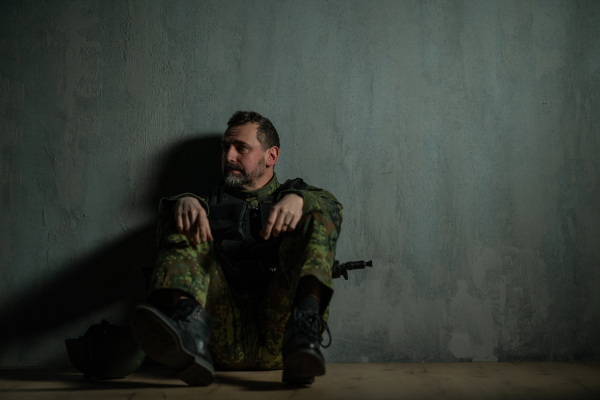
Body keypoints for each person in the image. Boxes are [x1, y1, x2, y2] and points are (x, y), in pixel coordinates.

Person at [130, 111, 343, 386]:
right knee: (186, 215)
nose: (229, 156)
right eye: (225, 148)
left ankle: (304, 333)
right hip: (216, 336)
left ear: (271, 156)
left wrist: (301, 200)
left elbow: (333, 209)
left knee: (318, 214)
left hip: (283, 335)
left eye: (241, 148)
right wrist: (183, 201)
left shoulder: (300, 197)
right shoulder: (205, 202)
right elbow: (171, 237)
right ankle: (188, 329)